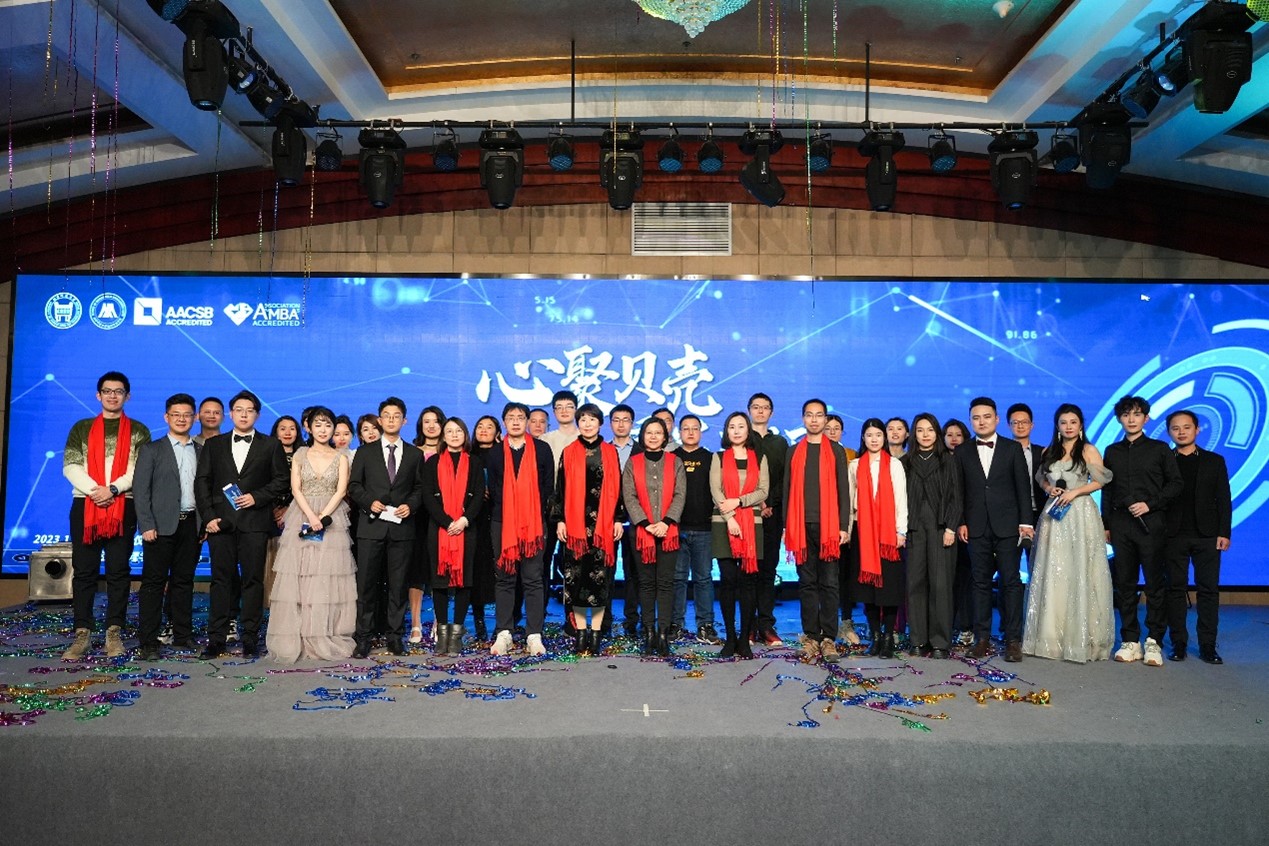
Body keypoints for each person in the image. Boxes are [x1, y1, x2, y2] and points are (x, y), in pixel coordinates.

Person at [61, 371, 152, 660]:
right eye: (108, 391)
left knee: (118, 571)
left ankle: (114, 632)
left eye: (119, 391)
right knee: (84, 571)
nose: (113, 396)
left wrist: (112, 489)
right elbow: (71, 466)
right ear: (98, 395)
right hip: (85, 505)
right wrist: (96, 492)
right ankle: (82, 633)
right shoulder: (81, 428)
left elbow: (139, 468)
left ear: (128, 396)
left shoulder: (138, 430)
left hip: (123, 504)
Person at [194, 389, 290, 660]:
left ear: (257, 415)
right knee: (220, 581)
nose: (244, 414)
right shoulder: (214, 444)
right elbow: (202, 482)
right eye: (239, 410)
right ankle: (216, 639)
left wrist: (257, 497)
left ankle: (250, 638)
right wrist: (209, 517)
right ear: (231, 413)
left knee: (253, 581)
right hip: (220, 523)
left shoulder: (270, 445)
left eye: (249, 410)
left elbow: (282, 480)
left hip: (254, 522)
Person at [1021, 403, 1114, 663]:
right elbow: (1040, 477)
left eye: (1073, 422)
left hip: (1080, 514)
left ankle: (1081, 639)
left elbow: (1101, 481)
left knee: (1080, 568)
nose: (1069, 426)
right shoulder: (1049, 451)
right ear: (1057, 426)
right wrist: (1049, 488)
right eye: (1064, 422)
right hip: (1054, 515)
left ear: (1081, 424)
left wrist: (1075, 492)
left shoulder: (1088, 450)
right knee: (1053, 569)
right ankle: (1050, 638)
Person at [266, 406, 357, 662]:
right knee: (301, 576)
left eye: (328, 425)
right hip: (301, 515)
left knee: (326, 577)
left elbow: (341, 490)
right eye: (318, 424)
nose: (323, 430)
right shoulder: (300, 454)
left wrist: (323, 517)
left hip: (332, 519)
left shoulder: (340, 457)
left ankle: (323, 634)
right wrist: (311, 516)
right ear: (308, 427)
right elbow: (296, 488)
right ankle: (299, 636)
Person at [1102, 395, 1182, 668]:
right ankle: (1130, 640)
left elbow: (1175, 484)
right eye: (1126, 415)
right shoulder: (1112, 451)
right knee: (1125, 584)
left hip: (1152, 523)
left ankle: (1154, 641)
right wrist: (1106, 524)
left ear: (1146, 418)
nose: (1131, 419)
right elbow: (1107, 489)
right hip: (1121, 524)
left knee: (1154, 584)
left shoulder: (1160, 449)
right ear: (1119, 419)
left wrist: (1150, 504)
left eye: (1137, 414)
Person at [954, 396, 1034, 663]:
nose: (981, 422)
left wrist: (1025, 522)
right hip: (975, 526)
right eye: (976, 418)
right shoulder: (963, 451)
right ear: (970, 421)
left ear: (997, 419)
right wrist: (961, 521)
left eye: (986, 417)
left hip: (1008, 525)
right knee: (980, 583)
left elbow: (1023, 487)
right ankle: (982, 638)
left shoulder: (1012, 449)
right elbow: (959, 490)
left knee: (1011, 582)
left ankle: (1013, 640)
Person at [348, 397, 425, 658]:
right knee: (366, 586)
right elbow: (354, 486)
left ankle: (395, 637)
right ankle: (363, 638)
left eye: (396, 416)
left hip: (402, 529)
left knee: (398, 586)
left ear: (404, 420)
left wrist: (410, 506)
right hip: (371, 527)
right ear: (380, 420)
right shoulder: (365, 452)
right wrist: (369, 502)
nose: (391, 420)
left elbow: (419, 488)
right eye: (387, 416)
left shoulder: (415, 454)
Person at [550, 403, 623, 655]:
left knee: (600, 582)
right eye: (583, 419)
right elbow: (560, 489)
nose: (587, 424)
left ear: (600, 423)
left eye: (592, 419)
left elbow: (619, 488)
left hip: (603, 526)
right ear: (578, 423)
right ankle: (581, 633)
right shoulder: (569, 451)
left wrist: (618, 519)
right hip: (575, 527)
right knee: (576, 580)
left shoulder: (610, 452)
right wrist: (560, 519)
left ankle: (596, 633)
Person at [133, 392, 200, 661]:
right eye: (176, 415)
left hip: (191, 525)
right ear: (166, 417)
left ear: (194, 418)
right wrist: (146, 524)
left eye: (187, 415)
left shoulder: (201, 451)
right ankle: (148, 641)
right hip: (159, 528)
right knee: (153, 584)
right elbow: (141, 491)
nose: (181, 419)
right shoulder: (152, 449)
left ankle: (182, 634)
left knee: (183, 582)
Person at [784, 398, 851, 662]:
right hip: (801, 526)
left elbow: (844, 491)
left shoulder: (835, 451)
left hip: (829, 527)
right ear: (803, 419)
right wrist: (786, 526)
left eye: (819, 415)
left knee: (830, 583)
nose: (814, 419)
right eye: (809, 415)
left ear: (825, 419)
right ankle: (811, 636)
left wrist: (844, 526)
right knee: (807, 583)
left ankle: (828, 638)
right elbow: (787, 490)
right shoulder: (793, 451)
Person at [486, 402, 555, 657]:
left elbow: (548, 486)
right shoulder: (495, 453)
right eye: (510, 417)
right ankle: (504, 632)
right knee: (505, 578)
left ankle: (533, 634)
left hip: (534, 523)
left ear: (527, 421)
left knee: (533, 578)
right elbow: (493, 489)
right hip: (503, 522)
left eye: (520, 417)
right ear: (504, 422)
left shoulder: (541, 449)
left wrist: (530, 510)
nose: (515, 421)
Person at [1164, 410, 1231, 665]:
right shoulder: (1164, 461)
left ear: (1197, 430)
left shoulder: (1215, 461)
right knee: (1175, 590)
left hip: (1208, 535)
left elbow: (1223, 499)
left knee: (1208, 591)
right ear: (1169, 432)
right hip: (1173, 535)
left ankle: (1207, 646)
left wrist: (1224, 532)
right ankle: (1178, 643)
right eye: (1175, 428)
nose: (1181, 432)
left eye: (1186, 427)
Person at [622, 417, 686, 656]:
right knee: (646, 584)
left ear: (665, 436)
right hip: (641, 532)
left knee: (666, 584)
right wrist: (647, 524)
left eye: (658, 432)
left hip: (669, 531)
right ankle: (648, 633)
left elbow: (680, 494)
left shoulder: (675, 462)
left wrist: (666, 522)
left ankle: (663, 634)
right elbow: (629, 496)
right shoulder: (633, 462)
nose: (653, 436)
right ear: (642, 435)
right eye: (649, 432)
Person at [422, 418, 486, 656]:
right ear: (443, 436)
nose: (454, 435)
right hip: (439, 530)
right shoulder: (432, 462)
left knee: (464, 581)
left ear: (465, 434)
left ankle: (456, 635)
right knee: (439, 582)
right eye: (449, 431)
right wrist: (447, 522)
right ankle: (442, 635)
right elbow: (428, 496)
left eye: (458, 430)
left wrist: (464, 520)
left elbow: (478, 495)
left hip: (466, 529)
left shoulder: (475, 462)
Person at [900, 413, 961, 659]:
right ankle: (918, 639)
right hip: (913, 529)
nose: (925, 435)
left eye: (930, 430)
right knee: (915, 584)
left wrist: (951, 528)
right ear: (913, 434)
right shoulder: (905, 462)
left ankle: (940, 642)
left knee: (940, 585)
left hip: (941, 529)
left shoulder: (948, 461)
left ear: (937, 433)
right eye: (920, 430)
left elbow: (957, 497)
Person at [710, 411, 769, 659]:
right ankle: (730, 638)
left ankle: (744, 639)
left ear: (748, 431)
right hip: (723, 523)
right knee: (728, 580)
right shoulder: (718, 457)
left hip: (752, 524)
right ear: (726, 431)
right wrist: (731, 518)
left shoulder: (760, 458)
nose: (736, 431)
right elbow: (716, 491)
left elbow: (763, 491)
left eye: (741, 426)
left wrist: (739, 501)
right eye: (731, 427)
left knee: (748, 583)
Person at [848, 418, 908, 659]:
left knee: (889, 588)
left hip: (888, 533)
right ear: (863, 438)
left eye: (878, 435)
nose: (874, 439)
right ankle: (874, 637)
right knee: (868, 590)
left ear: (884, 438)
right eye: (869, 435)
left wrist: (901, 531)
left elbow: (901, 499)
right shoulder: (854, 465)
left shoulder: (894, 465)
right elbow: (850, 501)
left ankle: (888, 638)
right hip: (862, 531)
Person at [672, 414, 719, 644]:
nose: (690, 432)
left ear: (701, 432)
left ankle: (705, 626)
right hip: (676, 528)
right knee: (677, 579)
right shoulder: (671, 458)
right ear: (679, 432)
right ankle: (675, 625)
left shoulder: (711, 458)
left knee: (703, 579)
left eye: (695, 428)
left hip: (704, 529)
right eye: (686, 428)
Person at [748, 392, 788, 647]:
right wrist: (757, 502)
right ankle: (749, 625)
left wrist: (769, 502)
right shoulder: (741, 438)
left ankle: (766, 624)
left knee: (768, 571)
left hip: (773, 514)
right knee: (748, 570)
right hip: (746, 513)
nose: (760, 411)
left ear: (771, 413)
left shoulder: (780, 443)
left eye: (765, 408)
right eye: (756, 407)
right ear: (749, 410)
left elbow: (785, 478)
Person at [407, 405, 445, 644]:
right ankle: (416, 623)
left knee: (441, 570)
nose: (431, 426)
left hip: (443, 517)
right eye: (426, 421)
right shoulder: (411, 452)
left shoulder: (451, 451)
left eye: (435, 421)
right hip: (417, 517)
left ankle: (441, 622)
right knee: (417, 571)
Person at [826, 412, 859, 644]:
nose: (832, 432)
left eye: (837, 428)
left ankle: (846, 622)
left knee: (845, 574)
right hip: (821, 521)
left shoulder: (851, 455)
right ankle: (822, 625)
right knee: (824, 576)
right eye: (828, 428)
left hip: (846, 521)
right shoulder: (813, 452)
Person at [606, 404, 639, 638]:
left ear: (632, 423)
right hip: (608, 519)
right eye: (616, 420)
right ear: (610, 424)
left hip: (637, 518)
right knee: (606, 571)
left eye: (625, 420)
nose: (621, 424)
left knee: (634, 572)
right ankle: (605, 620)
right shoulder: (603, 450)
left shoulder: (641, 451)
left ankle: (631, 621)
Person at [469, 415, 502, 642]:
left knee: (500, 569)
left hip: (499, 514)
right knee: (477, 569)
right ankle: (479, 622)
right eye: (480, 426)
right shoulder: (468, 455)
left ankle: (503, 623)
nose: (484, 430)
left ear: (497, 432)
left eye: (489, 427)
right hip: (475, 518)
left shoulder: (502, 454)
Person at [943, 418, 974, 647]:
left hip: (966, 529)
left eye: (958, 435)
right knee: (946, 581)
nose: (954, 439)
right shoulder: (939, 461)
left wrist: (962, 522)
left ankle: (966, 627)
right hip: (943, 529)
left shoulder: (971, 461)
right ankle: (945, 627)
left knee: (965, 580)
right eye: (949, 435)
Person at [264, 415, 302, 605]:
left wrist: (289, 510)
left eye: (292, 428)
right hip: (268, 513)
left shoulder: (305, 455)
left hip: (298, 514)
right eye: (283, 428)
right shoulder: (265, 453)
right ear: (276, 432)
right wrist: (273, 510)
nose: (288, 432)